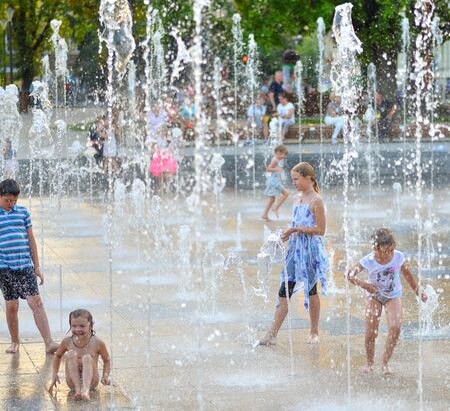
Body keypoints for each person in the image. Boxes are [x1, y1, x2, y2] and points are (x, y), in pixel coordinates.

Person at [259, 162, 328, 345]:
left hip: (310, 251)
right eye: (293, 179)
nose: (294, 183)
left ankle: (314, 331)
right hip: (294, 251)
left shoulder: (316, 201)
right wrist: (283, 237)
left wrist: (294, 230)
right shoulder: (297, 199)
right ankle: (272, 335)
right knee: (284, 291)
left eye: (296, 179)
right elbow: (295, 225)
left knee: (311, 290)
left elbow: (320, 230)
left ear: (307, 178)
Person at [346, 228, 428, 375]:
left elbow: (408, 275)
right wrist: (365, 285)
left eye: (390, 250)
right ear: (375, 248)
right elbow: (350, 275)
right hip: (374, 296)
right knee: (371, 333)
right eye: (384, 251)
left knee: (396, 328)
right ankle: (369, 363)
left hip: (393, 295)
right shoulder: (368, 260)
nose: (387, 254)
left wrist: (418, 291)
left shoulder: (398, 257)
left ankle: (385, 363)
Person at [0, 179, 59, 354]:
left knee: (36, 302)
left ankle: (49, 343)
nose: (11, 204)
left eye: (14, 201)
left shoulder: (23, 212)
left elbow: (31, 240)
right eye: (7, 200)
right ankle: (15, 342)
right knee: (12, 306)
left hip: (25, 265)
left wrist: (37, 266)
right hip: (4, 268)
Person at [48, 309, 111, 401]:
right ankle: (78, 389)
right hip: (72, 382)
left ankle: (85, 390)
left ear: (91, 326)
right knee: (71, 354)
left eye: (82, 326)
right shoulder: (67, 342)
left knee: (87, 357)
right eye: (74, 326)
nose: (78, 329)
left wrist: (105, 376)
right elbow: (57, 355)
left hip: (92, 382)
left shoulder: (97, 342)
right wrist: (54, 374)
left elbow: (107, 360)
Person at [261, 145, 289, 221]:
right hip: (273, 182)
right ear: (277, 153)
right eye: (281, 154)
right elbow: (268, 169)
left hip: (276, 182)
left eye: (284, 155)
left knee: (272, 198)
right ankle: (275, 208)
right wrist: (276, 169)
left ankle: (265, 214)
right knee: (285, 194)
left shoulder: (278, 160)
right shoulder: (275, 160)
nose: (283, 156)